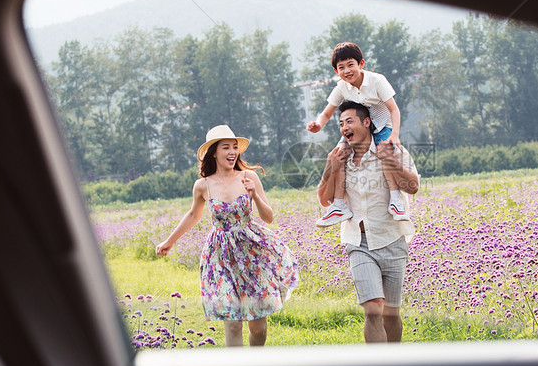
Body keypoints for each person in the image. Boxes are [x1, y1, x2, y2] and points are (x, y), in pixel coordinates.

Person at [156, 125, 300, 347]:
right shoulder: (202, 185)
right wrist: (169, 241)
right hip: (220, 256)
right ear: (214, 152)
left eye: (235, 147)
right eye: (226, 147)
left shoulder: (248, 177)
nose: (232, 152)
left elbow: (268, 217)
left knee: (258, 329)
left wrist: (255, 196)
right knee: (232, 323)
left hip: (252, 254)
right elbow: (193, 214)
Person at [317, 101, 420, 343]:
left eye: (349, 121)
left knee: (391, 314)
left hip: (392, 238)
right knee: (373, 308)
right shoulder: (340, 157)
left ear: (366, 122)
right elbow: (324, 199)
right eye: (340, 124)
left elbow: (413, 187)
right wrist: (328, 169)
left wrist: (390, 161)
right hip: (358, 243)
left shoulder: (393, 150)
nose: (344, 128)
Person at [307, 41, 408, 227]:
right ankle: (339, 206)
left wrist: (394, 134)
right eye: (341, 67)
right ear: (336, 71)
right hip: (359, 127)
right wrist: (318, 125)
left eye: (350, 65)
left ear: (361, 64)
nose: (347, 70)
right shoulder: (341, 88)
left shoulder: (377, 81)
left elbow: (394, 109)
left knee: (385, 152)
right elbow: (328, 112)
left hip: (380, 125)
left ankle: (395, 200)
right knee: (338, 155)